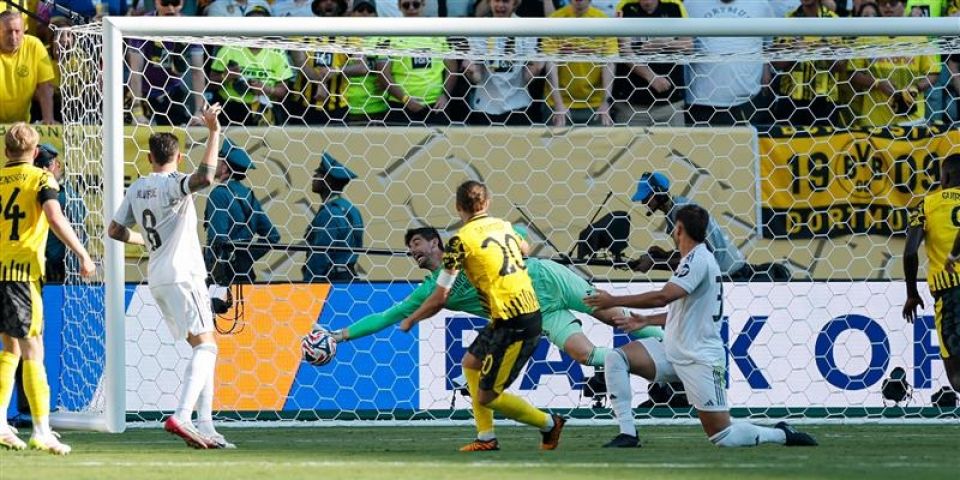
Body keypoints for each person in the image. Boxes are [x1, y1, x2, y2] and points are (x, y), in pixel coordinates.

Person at [584, 205, 818, 448]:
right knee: (616, 358)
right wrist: (646, 321)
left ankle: (781, 434)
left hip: (701, 359)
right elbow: (685, 310)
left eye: (674, 227)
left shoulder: (698, 260)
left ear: (679, 229)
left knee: (723, 436)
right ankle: (628, 434)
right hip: (673, 351)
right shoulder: (692, 260)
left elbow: (663, 297)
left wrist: (613, 300)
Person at [331, 225, 662, 363]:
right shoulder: (432, 290)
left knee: (613, 316)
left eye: (416, 243)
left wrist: (516, 250)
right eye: (409, 248)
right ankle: (662, 363)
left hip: (546, 279)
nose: (412, 251)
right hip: (537, 312)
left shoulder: (470, 247)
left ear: (435, 242)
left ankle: (670, 341)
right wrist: (339, 336)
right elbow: (387, 316)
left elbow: (517, 234)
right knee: (584, 354)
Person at [399, 181, 566, 451]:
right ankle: (486, 437)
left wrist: (410, 319)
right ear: (486, 203)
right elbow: (525, 249)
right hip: (509, 315)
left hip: (517, 322)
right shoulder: (504, 226)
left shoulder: (459, 242)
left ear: (457, 208)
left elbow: (440, 297)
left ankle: (549, 423)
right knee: (470, 363)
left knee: (487, 396)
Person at [107, 104, 234, 450]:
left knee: (205, 345)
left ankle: (206, 425)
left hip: (158, 276)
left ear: (149, 158)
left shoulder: (137, 189)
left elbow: (115, 230)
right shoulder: (174, 184)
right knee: (206, 346)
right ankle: (182, 415)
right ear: (178, 158)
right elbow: (205, 177)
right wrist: (214, 132)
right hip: (183, 274)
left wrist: (144, 240)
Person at [0, 123, 95, 454]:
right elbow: (54, 217)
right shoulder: (41, 179)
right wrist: (82, 253)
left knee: (10, 349)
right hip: (21, 273)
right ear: (36, 151)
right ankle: (41, 429)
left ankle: (0, 423)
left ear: (5, 150)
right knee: (33, 348)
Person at [904, 156, 960, 394]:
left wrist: (912, 294)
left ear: (944, 177)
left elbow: (909, 252)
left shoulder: (926, 205)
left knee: (957, 376)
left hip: (951, 293)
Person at [629, 172, 749, 279]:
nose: (643, 202)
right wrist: (665, 255)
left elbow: (696, 259)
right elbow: (689, 253)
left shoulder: (682, 212)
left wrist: (654, 263)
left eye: (646, 197)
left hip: (731, 275)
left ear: (659, 192)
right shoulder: (674, 210)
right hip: (724, 272)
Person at [684, 0, 774, 126]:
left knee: (746, 145)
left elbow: (767, 45)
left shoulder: (761, 5)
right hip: (701, 101)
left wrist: (766, 70)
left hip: (747, 99)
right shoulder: (690, 4)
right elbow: (680, 44)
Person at [849, 0, 939, 127]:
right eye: (883, 3)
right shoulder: (865, 37)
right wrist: (877, 83)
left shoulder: (918, 37)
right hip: (875, 121)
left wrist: (916, 88)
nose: (887, 6)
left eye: (893, 2)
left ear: (904, 5)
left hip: (912, 120)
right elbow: (853, 75)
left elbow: (933, 73)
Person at [204, 137, 281, 285]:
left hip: (223, 277)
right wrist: (246, 257)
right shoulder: (249, 195)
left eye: (218, 159)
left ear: (225, 167)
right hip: (245, 274)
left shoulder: (219, 194)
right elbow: (273, 236)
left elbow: (217, 239)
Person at [208, 5, 295, 125]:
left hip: (263, 109)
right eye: (252, 24)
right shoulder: (229, 49)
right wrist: (225, 77)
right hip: (230, 108)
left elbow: (283, 91)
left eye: (261, 25)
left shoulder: (277, 52)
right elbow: (210, 83)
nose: (256, 29)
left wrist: (265, 89)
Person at [378, 0, 460, 125]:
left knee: (439, 143)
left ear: (423, 5)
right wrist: (406, 100)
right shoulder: (389, 34)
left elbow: (452, 68)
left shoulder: (437, 32)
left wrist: (445, 95)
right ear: (399, 7)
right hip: (400, 105)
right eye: (406, 5)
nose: (412, 8)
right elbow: (383, 73)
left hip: (435, 106)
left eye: (415, 4)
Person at [463, 0, 544, 126]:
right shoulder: (479, 28)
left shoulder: (526, 27)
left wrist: (536, 68)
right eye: (496, 0)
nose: (500, 5)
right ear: (489, 3)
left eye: (506, 1)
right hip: (485, 107)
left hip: (518, 107)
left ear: (515, 3)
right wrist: (471, 71)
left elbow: (527, 77)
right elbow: (477, 77)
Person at [127, 0, 207, 126]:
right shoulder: (142, 25)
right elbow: (135, 72)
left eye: (175, 3)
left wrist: (199, 111)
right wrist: (137, 112)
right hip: (142, 92)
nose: (170, 8)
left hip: (172, 91)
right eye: (164, 2)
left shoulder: (191, 27)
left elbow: (197, 71)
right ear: (156, 2)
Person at [613, 0, 690, 127]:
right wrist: (652, 77)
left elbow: (688, 46)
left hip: (670, 104)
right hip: (632, 106)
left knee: (674, 146)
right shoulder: (625, 7)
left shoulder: (675, 6)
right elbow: (624, 51)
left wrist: (663, 44)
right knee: (630, 146)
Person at [542, 0, 617, 126]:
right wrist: (559, 104)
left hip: (595, 105)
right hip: (558, 104)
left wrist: (605, 102)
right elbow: (550, 64)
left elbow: (609, 64)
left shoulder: (603, 21)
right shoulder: (555, 20)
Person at [770, 0, 843, 127]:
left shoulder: (833, 20)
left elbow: (841, 66)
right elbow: (777, 64)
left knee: (824, 145)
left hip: (824, 99)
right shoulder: (788, 19)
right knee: (789, 145)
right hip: (791, 98)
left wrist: (823, 50)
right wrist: (794, 51)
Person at [304, 153, 363, 282]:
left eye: (319, 174)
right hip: (349, 276)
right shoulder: (352, 210)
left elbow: (319, 254)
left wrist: (310, 283)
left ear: (328, 182)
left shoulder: (329, 213)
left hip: (330, 280)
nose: (314, 177)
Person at [34, 143, 87, 284]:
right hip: (50, 269)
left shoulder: (66, 195)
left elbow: (79, 233)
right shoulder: (64, 195)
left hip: (58, 272)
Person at [0, 11, 55, 124]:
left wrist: (48, 119)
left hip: (22, 124)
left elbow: (45, 87)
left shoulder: (34, 46)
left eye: (17, 31)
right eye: (8, 32)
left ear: (24, 30)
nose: (13, 36)